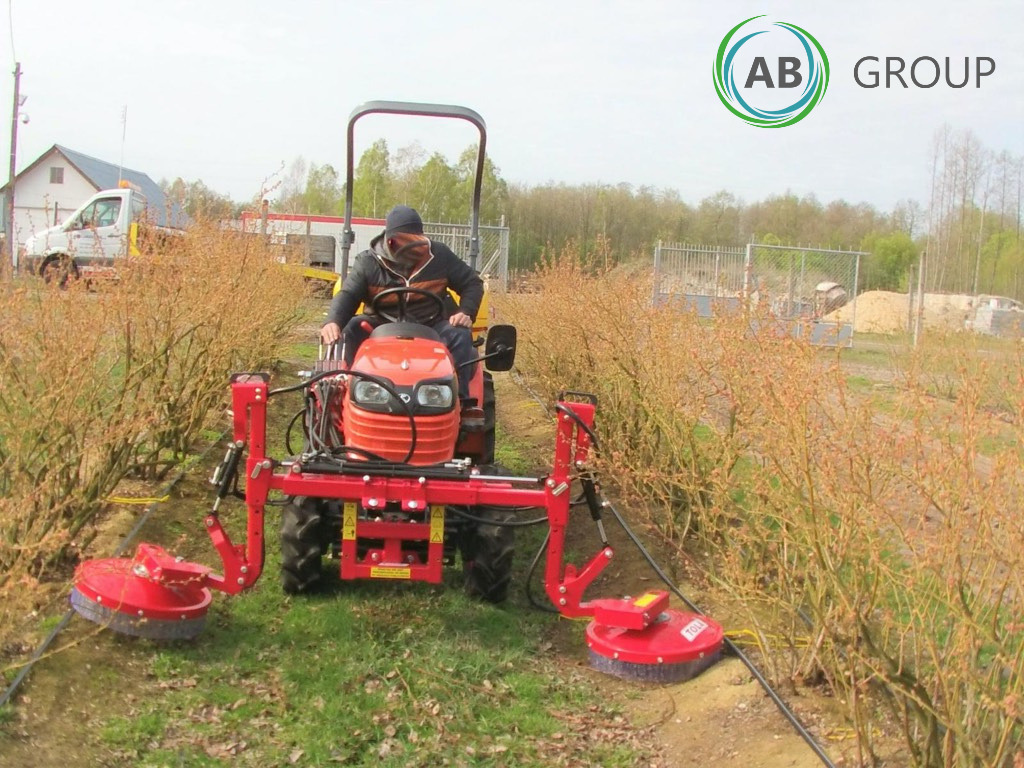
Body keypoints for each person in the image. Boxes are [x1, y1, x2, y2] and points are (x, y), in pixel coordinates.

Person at [320, 205, 484, 404]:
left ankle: (459, 402)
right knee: (349, 330)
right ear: (390, 240)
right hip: (379, 325)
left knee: (460, 334)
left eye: (416, 243)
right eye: (404, 243)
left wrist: (466, 311)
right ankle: (344, 395)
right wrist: (333, 321)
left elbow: (472, 283)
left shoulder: (440, 256)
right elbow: (348, 294)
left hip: (430, 324)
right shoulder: (368, 262)